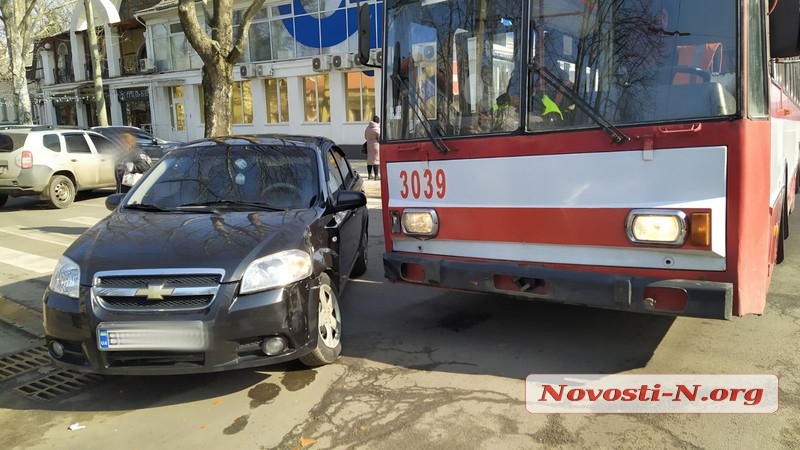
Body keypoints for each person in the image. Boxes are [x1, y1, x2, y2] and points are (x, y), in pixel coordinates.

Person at [364, 115, 381, 180]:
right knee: (376, 160)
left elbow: (365, 136)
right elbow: (379, 138)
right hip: (376, 145)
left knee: (369, 160)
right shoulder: (377, 128)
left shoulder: (367, 128)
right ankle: (376, 175)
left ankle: (369, 175)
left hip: (369, 145)